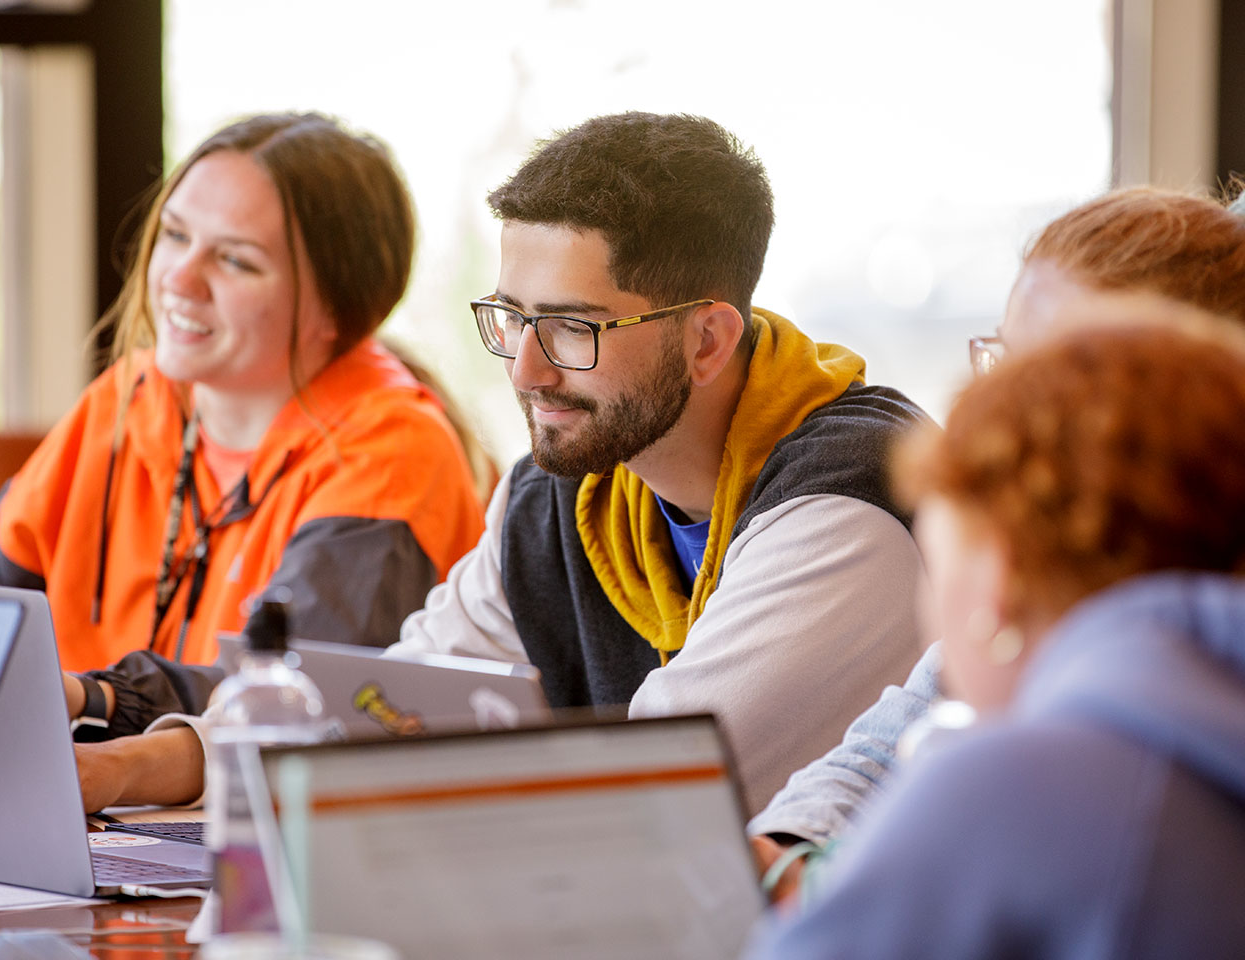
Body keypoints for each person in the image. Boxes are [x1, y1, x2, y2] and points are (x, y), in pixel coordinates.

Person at [73, 111, 928, 815]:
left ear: (707, 339)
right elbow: (382, 709)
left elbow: (656, 786)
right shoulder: (571, 489)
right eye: (512, 317)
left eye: (570, 328)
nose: (524, 369)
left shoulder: (847, 502)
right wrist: (112, 773)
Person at [747, 184, 1245, 869]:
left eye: (1060, 383)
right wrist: (782, 853)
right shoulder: (1028, 562)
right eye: (1007, 362)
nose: (1004, 412)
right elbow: (881, 752)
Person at [0, 113, 485, 734]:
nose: (179, 279)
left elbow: (285, 695)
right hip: (100, 802)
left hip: (258, 817)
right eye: (176, 235)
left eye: (235, 261)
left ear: (337, 310)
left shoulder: (395, 451)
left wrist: (91, 697)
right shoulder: (130, 396)